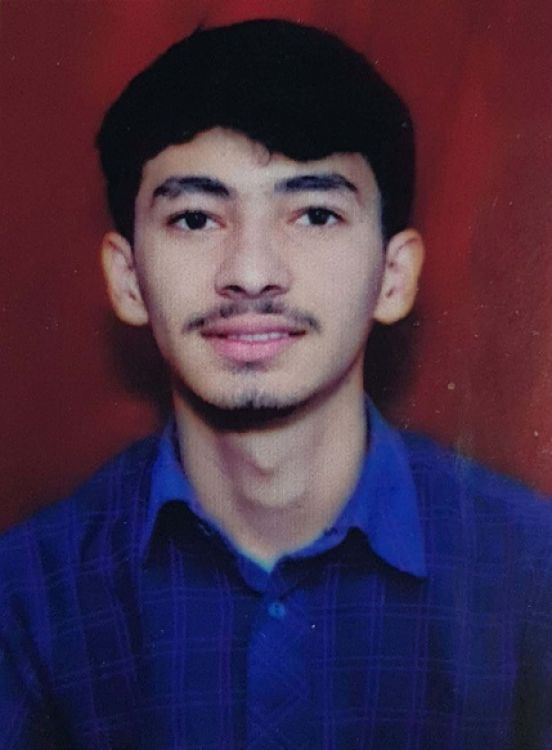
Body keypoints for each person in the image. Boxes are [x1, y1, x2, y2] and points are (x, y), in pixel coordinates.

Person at [1, 19, 551, 750]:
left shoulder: (531, 571)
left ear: (394, 276)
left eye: (315, 214)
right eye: (195, 218)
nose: (252, 272)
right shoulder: (28, 594)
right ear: (128, 278)